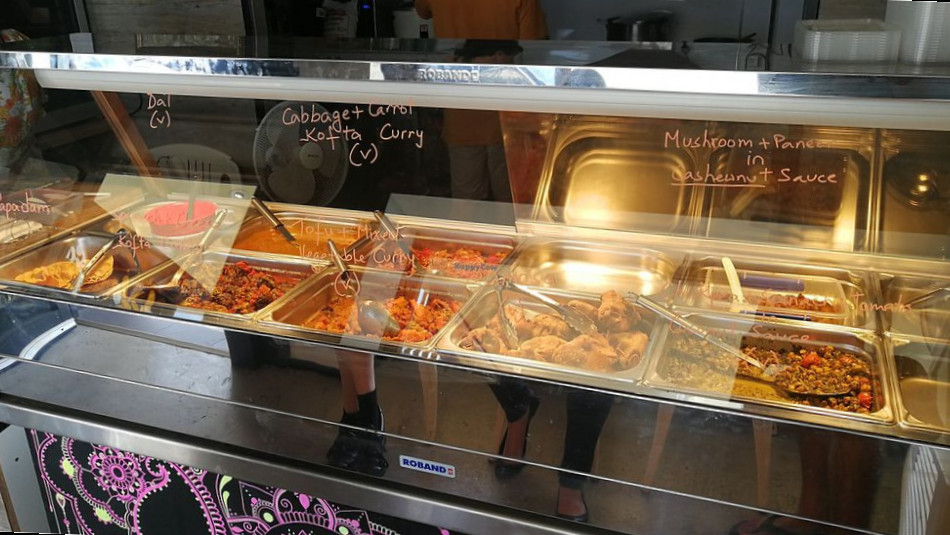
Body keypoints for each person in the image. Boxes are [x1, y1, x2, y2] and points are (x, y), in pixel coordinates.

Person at [414, 0, 548, 202]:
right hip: (507, 114)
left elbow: (422, 11)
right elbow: (536, 48)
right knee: (512, 201)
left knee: (467, 203)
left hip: (461, 109)